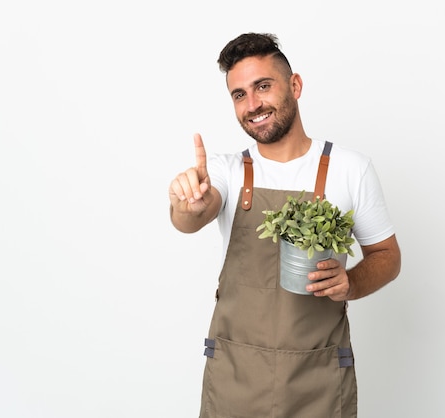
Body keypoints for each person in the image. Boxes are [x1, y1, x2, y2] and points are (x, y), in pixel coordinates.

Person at [169, 32, 401, 418]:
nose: (253, 104)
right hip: (235, 379)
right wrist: (187, 200)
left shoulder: (350, 169)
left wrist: (353, 283)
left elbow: (387, 256)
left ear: (295, 85)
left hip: (318, 381)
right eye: (239, 94)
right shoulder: (226, 171)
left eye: (263, 86)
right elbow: (191, 217)